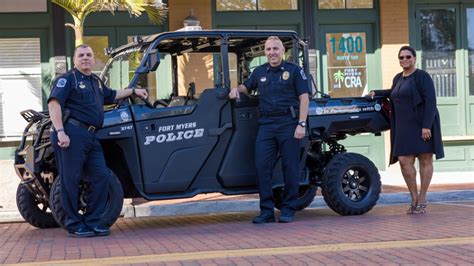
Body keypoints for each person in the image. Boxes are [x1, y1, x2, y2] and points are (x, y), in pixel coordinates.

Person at [48, 44, 148, 237]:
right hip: (71, 133)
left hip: (92, 136)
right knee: (70, 180)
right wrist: (60, 131)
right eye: (81, 55)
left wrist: (134, 91)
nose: (85, 58)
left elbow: (111, 95)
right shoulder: (67, 80)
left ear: (93, 60)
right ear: (74, 59)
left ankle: (93, 221)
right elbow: (54, 104)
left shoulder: (95, 81)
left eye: (89, 55)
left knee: (101, 176)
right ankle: (74, 224)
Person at [229, 36, 310, 223]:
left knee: (290, 167)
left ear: (283, 51)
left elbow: (304, 99)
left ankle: (288, 209)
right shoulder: (259, 72)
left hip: (288, 124)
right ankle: (266, 211)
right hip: (266, 125)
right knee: (262, 166)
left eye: (275, 49)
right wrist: (236, 89)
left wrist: (301, 124)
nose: (272, 52)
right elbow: (246, 86)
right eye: (268, 49)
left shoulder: (294, 71)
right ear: (265, 52)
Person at [370, 45, 444, 214]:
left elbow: (431, 101)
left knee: (425, 160)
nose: (404, 60)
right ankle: (414, 196)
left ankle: (422, 197)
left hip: (422, 124)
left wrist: (426, 125)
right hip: (403, 127)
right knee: (404, 161)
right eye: (401, 57)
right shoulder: (398, 78)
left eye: (407, 57)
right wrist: (377, 92)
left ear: (414, 58)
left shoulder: (422, 76)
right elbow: (393, 93)